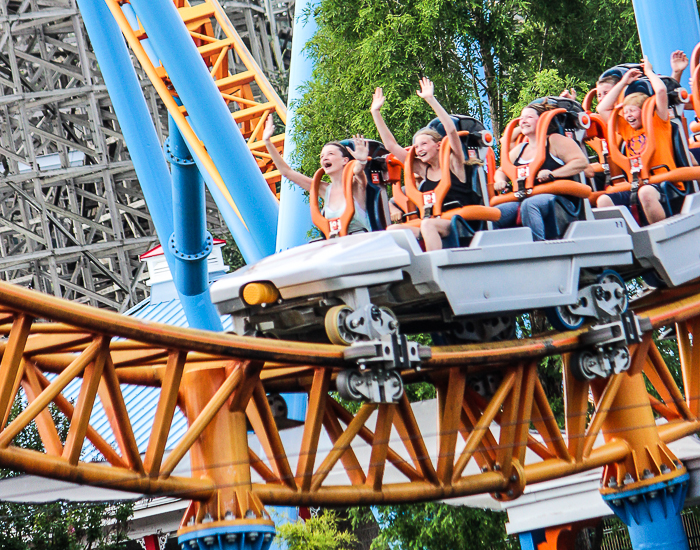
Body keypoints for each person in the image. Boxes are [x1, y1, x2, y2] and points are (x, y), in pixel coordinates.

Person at [370, 77, 477, 251]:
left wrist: (430, 99)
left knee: (427, 225)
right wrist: (376, 113)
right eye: (416, 146)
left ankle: (435, 267)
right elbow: (391, 146)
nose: (419, 149)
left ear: (438, 145)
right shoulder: (422, 169)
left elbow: (450, 130)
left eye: (424, 144)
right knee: (394, 230)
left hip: (462, 224)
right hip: (433, 223)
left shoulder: (454, 163)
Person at [596, 57, 677, 224]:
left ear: (644, 110)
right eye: (625, 112)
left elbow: (661, 92)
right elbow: (602, 108)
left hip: (663, 181)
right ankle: (625, 242)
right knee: (603, 201)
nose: (627, 116)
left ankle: (660, 234)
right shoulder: (627, 128)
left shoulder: (658, 122)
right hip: (637, 183)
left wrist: (648, 71)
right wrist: (624, 81)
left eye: (632, 111)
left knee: (645, 193)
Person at [492, 102, 589, 241]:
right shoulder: (521, 149)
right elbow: (502, 170)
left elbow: (581, 162)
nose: (523, 121)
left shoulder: (555, 141)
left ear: (542, 119)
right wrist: (500, 181)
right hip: (524, 198)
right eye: (521, 118)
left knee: (530, 205)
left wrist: (553, 174)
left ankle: (539, 248)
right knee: (495, 214)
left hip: (559, 201)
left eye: (529, 117)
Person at [262, 117, 371, 234]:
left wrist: (361, 161)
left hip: (361, 242)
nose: (325, 157)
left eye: (330, 154)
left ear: (345, 160)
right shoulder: (323, 189)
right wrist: (267, 142)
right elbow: (287, 172)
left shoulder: (355, 185)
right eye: (322, 156)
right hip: (339, 244)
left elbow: (358, 171)